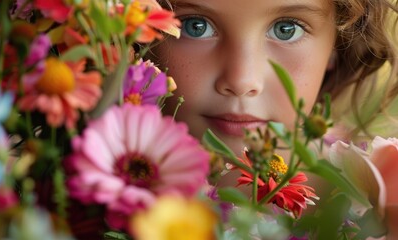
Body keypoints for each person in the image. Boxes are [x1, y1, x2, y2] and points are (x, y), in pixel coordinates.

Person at [147, 0, 398, 182]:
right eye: (196, 26)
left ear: (338, 43)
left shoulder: (376, 202)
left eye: (286, 29)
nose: (242, 81)